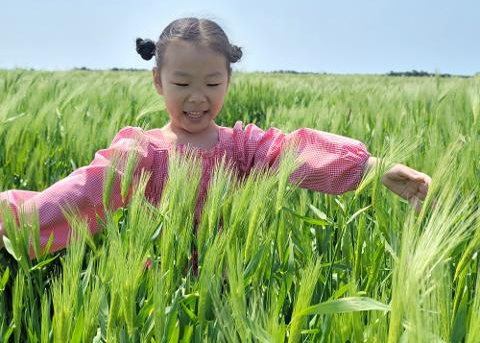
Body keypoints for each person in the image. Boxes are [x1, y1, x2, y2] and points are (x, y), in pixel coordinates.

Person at [0, 17, 431, 256]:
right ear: (158, 81)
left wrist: (372, 169)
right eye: (182, 83)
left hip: (232, 280)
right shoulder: (142, 152)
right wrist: (14, 217)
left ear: (228, 79)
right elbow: (78, 195)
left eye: (212, 83)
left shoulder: (242, 147)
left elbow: (296, 152)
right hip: (156, 291)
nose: (197, 98)